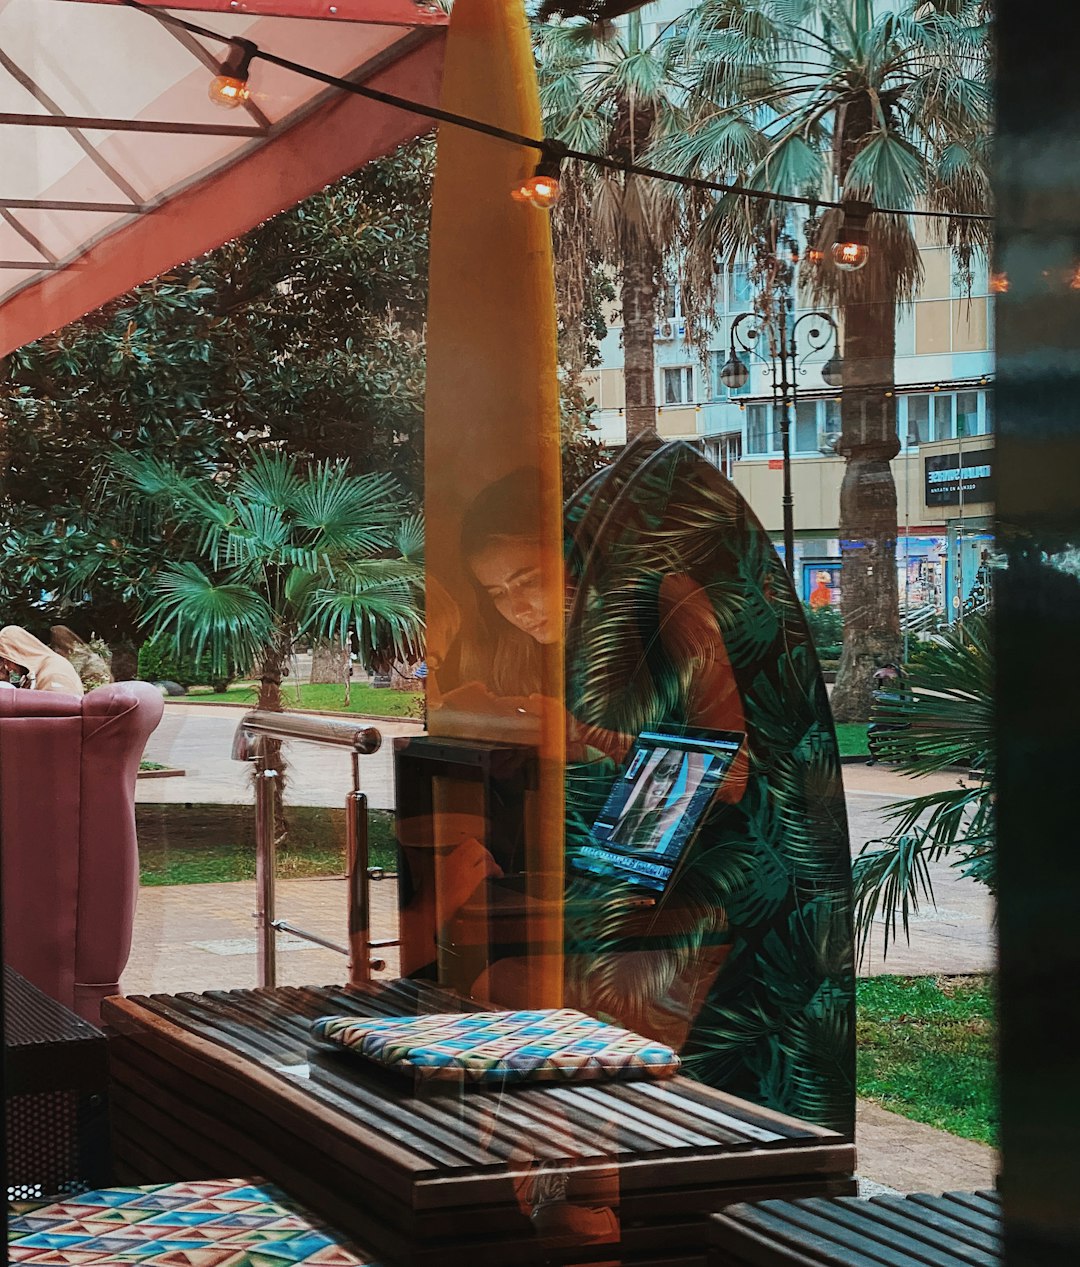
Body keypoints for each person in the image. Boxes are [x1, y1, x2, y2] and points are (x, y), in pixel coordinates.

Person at [0, 625, 84, 695]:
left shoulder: (54, 672)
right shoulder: (35, 673)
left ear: (17, 652)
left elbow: (59, 709)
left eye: (7, 660)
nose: (8, 668)